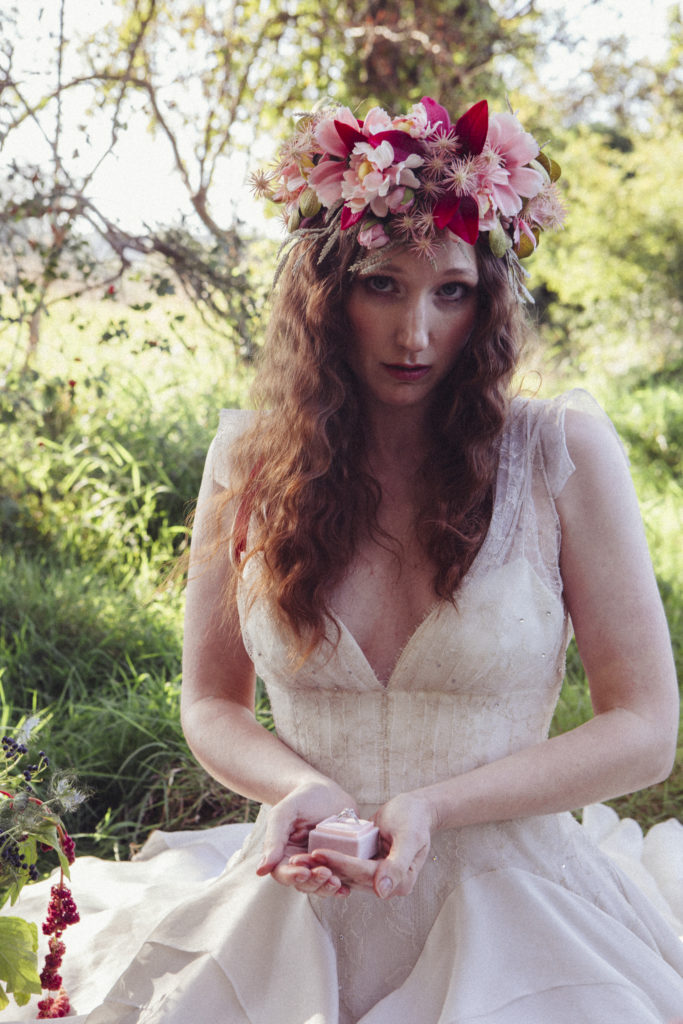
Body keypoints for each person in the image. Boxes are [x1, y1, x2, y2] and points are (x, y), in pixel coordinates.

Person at [12, 96, 683, 1024]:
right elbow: (210, 702)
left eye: (450, 291)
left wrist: (435, 809)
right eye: (381, 285)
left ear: (486, 299)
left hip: (517, 912)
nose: (416, 333)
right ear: (326, 292)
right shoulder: (249, 462)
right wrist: (301, 786)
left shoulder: (557, 452)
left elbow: (646, 727)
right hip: (294, 893)